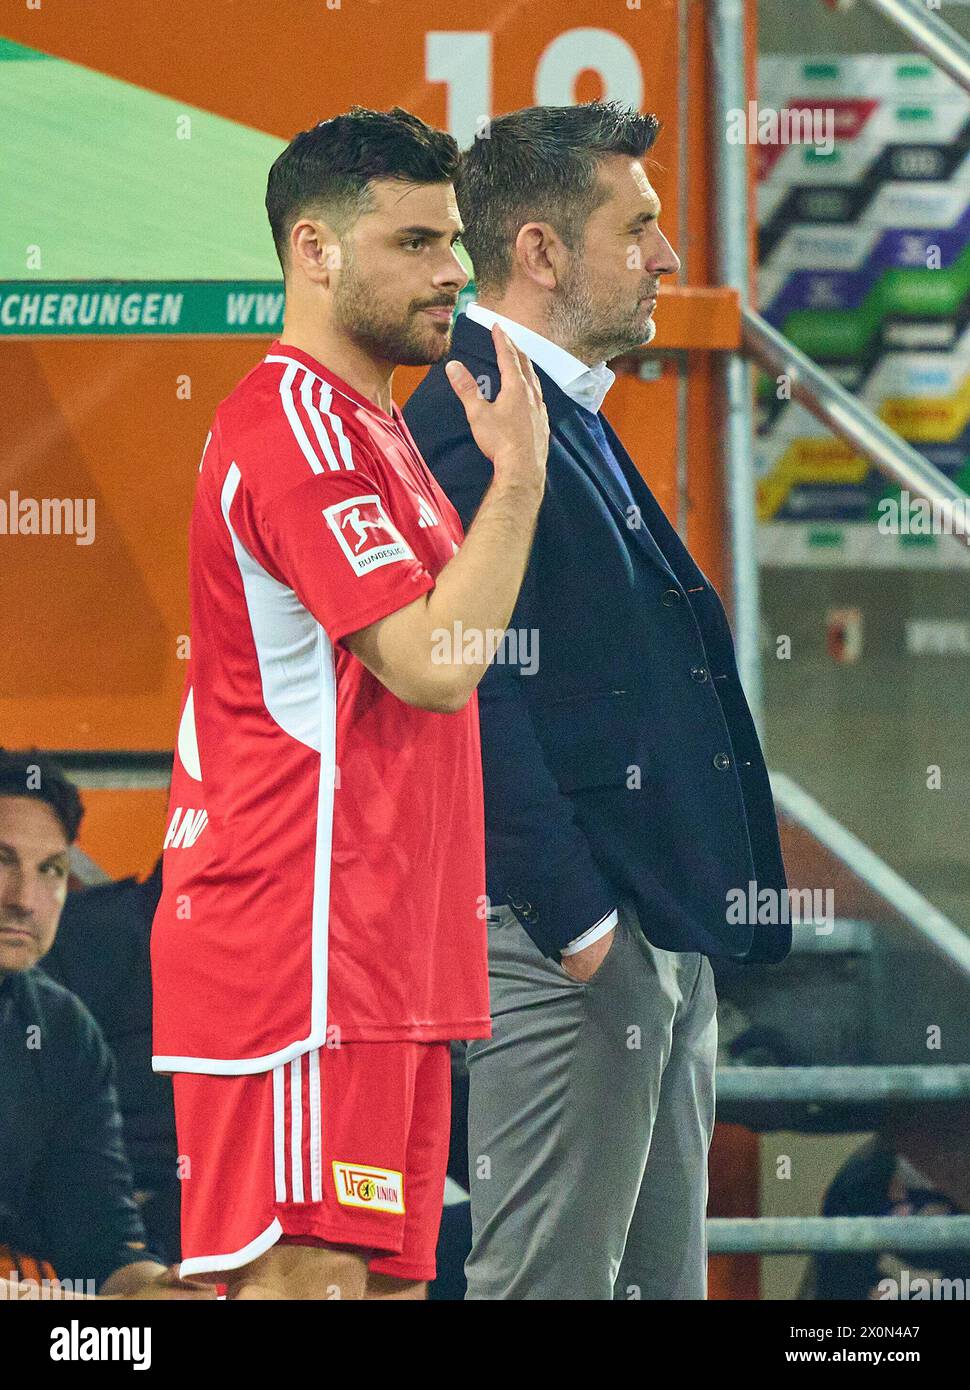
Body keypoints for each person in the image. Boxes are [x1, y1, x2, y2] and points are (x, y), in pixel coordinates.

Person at [150, 106, 549, 1300]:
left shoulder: (376, 427)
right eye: (417, 242)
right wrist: (519, 479)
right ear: (315, 252)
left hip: (386, 956)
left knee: (373, 1286)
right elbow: (435, 660)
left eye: (456, 243)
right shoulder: (290, 427)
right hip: (295, 946)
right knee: (305, 1280)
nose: (453, 274)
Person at [405, 101, 791, 1300]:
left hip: (639, 931)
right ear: (540, 249)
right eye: (640, 227)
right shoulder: (476, 414)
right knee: (555, 1289)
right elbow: (464, 694)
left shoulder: (554, 410)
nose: (668, 258)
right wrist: (579, 926)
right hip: (564, 940)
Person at [0, 750, 210, 1300]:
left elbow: (102, 1244)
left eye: (50, 870)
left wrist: (156, 1290)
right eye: (1, 861)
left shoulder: (63, 1029)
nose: (24, 900)